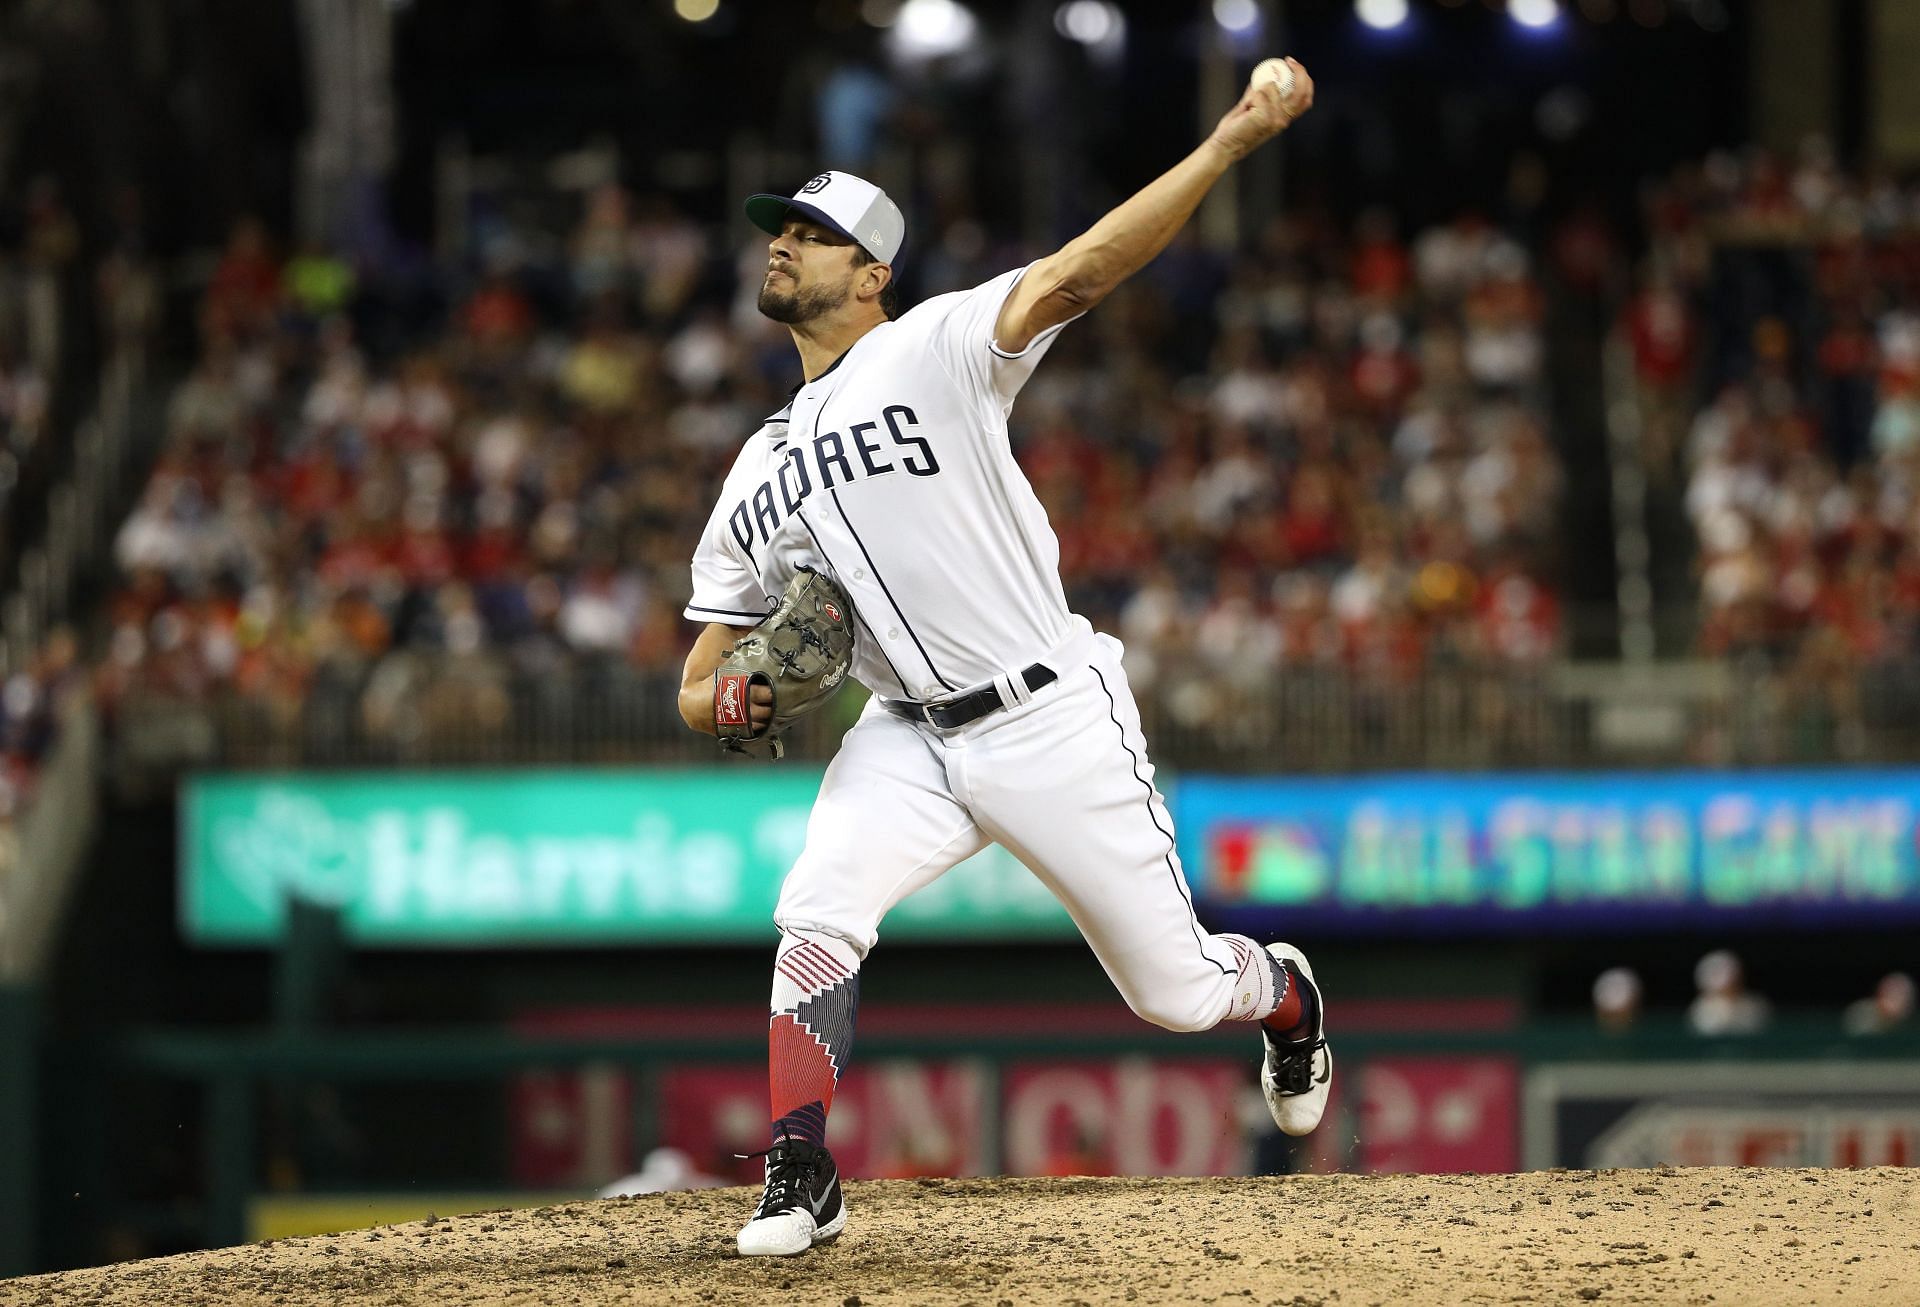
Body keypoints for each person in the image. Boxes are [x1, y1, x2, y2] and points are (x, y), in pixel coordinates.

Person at [676, 60, 1327, 1258]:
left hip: (1045, 713)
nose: (786, 246)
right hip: (903, 734)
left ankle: (1283, 992)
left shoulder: (936, 346)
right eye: (783, 229)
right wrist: (735, 690)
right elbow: (699, 670)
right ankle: (799, 1164)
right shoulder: (755, 467)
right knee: (817, 905)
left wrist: (1232, 138)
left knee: (1177, 994)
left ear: (871, 275)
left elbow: (1081, 268)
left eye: (816, 235)